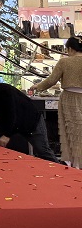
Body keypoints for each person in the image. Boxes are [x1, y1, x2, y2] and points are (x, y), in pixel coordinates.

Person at [0, 73, 60, 163]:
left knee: (42, 150)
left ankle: (61, 170)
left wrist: (7, 135)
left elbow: (12, 113)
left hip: (30, 121)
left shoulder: (5, 91)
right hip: (6, 121)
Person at [29, 36, 82, 168]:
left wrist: (37, 86)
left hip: (69, 97)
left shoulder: (64, 62)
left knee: (70, 130)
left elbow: (51, 81)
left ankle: (74, 163)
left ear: (70, 49)